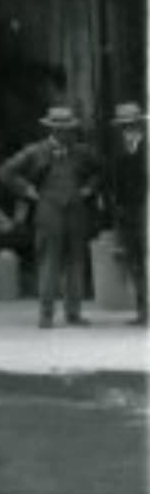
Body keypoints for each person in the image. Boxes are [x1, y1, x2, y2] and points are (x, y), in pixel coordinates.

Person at [0, 105, 102, 329]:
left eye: (69, 129)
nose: (66, 134)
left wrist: (89, 189)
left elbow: (100, 172)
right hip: (48, 211)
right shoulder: (36, 151)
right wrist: (27, 190)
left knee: (75, 262)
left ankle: (73, 313)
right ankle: (46, 315)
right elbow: (5, 171)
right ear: (52, 130)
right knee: (49, 262)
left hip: (76, 211)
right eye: (61, 129)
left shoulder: (82, 152)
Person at [111, 102, 147, 327]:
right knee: (136, 263)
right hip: (129, 214)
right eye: (124, 126)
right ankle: (143, 310)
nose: (127, 130)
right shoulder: (120, 152)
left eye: (131, 125)